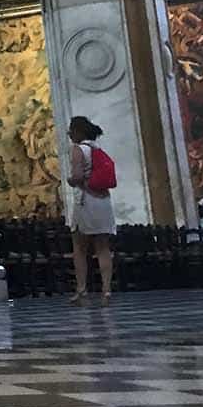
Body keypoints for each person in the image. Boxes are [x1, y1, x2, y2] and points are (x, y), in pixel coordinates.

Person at [66, 116, 116, 304]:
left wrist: (71, 181)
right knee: (103, 248)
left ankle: (82, 290)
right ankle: (107, 290)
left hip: (86, 201)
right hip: (103, 201)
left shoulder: (78, 150)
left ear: (78, 132)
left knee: (79, 248)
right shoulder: (98, 149)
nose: (69, 133)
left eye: (71, 130)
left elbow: (77, 176)